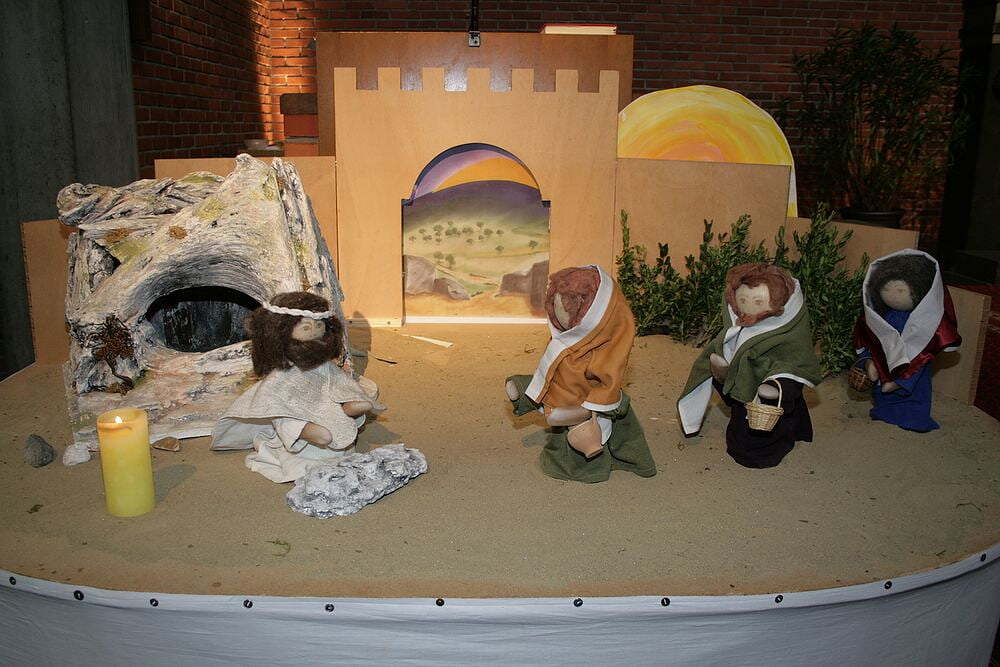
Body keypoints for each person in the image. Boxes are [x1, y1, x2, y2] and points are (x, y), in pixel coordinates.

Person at [504, 265, 656, 483]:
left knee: (587, 436)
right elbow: (549, 375)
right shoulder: (565, 345)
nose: (559, 317)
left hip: (583, 406)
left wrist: (586, 410)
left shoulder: (602, 354)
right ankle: (523, 393)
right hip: (562, 394)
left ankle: (588, 468)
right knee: (547, 394)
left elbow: (608, 386)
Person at [211, 291, 382, 482]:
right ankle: (304, 431)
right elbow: (271, 400)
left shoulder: (323, 364)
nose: (314, 330)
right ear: (282, 330)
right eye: (306, 326)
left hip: (323, 408)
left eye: (319, 325)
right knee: (283, 414)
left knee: (340, 396)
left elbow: (338, 381)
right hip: (294, 415)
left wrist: (350, 393)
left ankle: (347, 408)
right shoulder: (281, 374)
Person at [677, 264, 822, 468]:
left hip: (770, 393)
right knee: (740, 419)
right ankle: (729, 379)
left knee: (761, 436)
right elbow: (723, 347)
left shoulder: (789, 333)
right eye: (743, 300)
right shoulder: (738, 328)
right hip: (745, 386)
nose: (749, 307)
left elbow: (795, 362)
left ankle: (763, 449)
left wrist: (777, 384)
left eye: (758, 302)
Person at [854, 250, 961, 432]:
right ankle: (882, 391)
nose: (893, 295)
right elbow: (871, 338)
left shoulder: (924, 321)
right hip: (885, 362)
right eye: (886, 289)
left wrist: (902, 380)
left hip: (911, 369)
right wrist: (869, 359)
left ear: (919, 290)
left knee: (919, 365)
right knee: (882, 389)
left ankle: (901, 386)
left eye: (900, 290)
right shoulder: (882, 316)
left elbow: (925, 351)